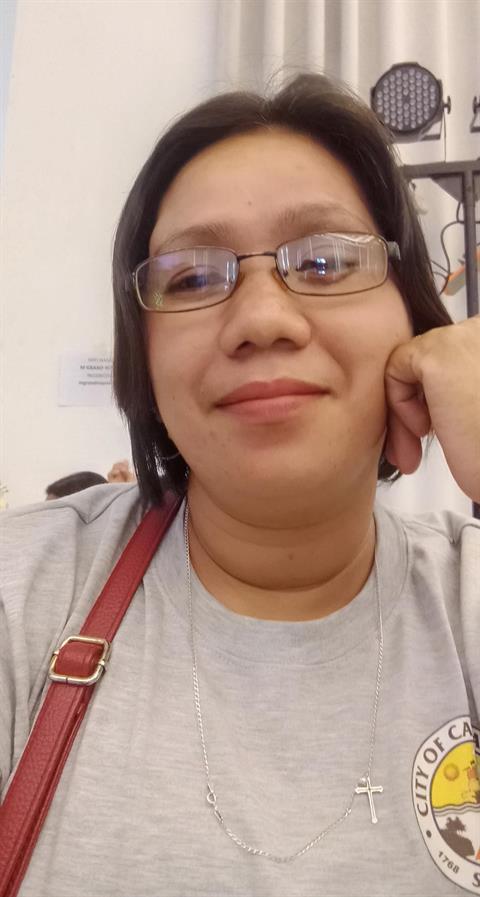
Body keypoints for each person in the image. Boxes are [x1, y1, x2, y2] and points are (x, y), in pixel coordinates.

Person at [1, 73, 479, 897]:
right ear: (143, 354)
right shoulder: (23, 596)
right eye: (191, 278)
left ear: (414, 317)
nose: (262, 319)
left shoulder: (466, 603)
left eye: (324, 261)